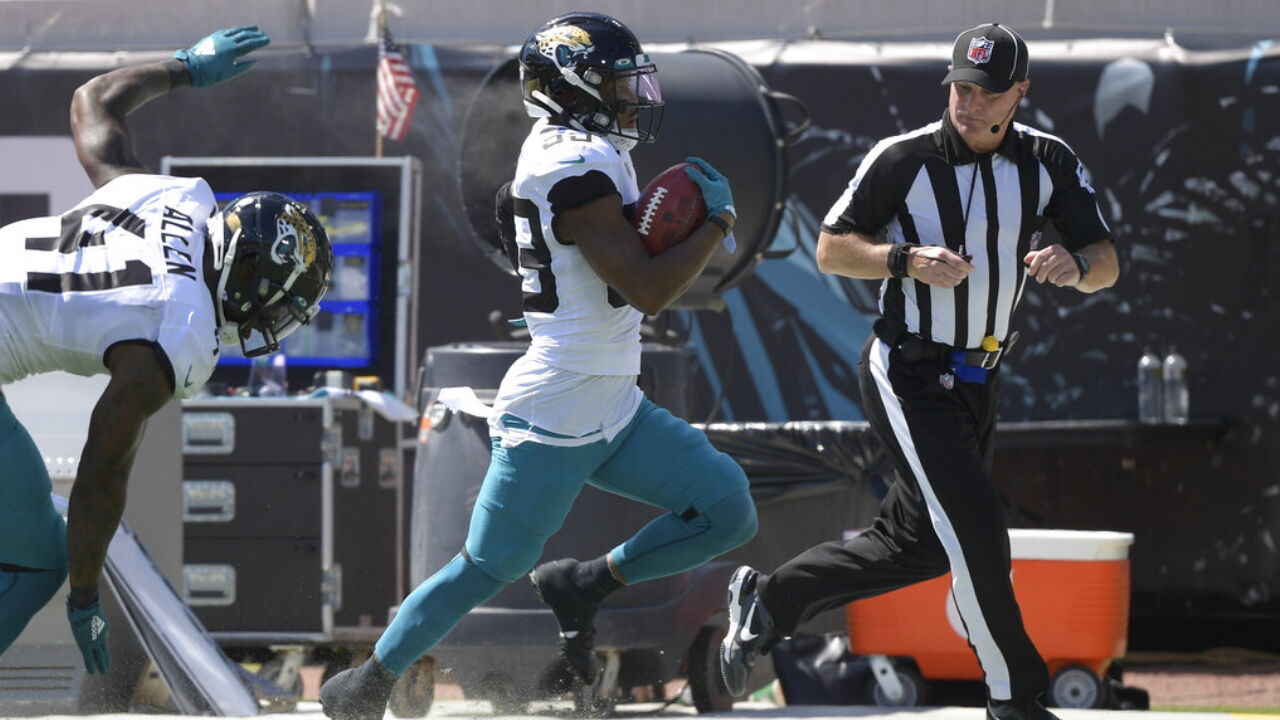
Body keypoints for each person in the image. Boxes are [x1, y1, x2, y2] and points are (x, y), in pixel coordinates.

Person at [319, 11, 756, 719]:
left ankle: (586, 583)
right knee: (487, 567)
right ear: (573, 88)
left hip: (612, 400)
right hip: (554, 405)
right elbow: (642, 287)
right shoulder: (569, 162)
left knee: (727, 509)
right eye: (617, 83)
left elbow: (617, 268)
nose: (633, 96)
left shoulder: (583, 148)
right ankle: (366, 683)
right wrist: (715, 224)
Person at [718, 22, 1119, 720]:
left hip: (980, 378)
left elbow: (1105, 260)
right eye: (960, 86)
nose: (968, 103)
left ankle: (769, 599)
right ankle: (1016, 699)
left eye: (986, 92)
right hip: (908, 369)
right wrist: (905, 259)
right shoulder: (901, 159)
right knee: (976, 532)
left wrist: (1075, 265)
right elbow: (832, 249)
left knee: (920, 546)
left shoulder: (1047, 162)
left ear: (1019, 93)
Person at [0, 26, 333, 675]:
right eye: (279, 306)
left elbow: (93, 100)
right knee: (41, 559)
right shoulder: (175, 331)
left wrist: (184, 67)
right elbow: (101, 471)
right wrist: (86, 593)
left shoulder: (171, 200)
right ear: (251, 284)